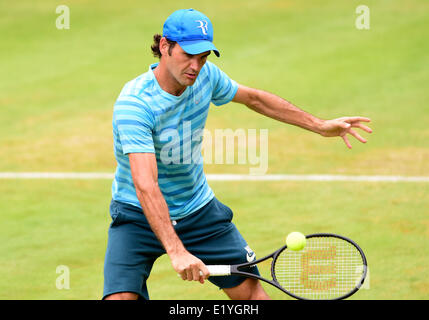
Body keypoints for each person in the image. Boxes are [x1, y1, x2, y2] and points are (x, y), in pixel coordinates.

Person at [103, 8, 372, 300]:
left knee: (252, 295)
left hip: (198, 210)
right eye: (188, 55)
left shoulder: (206, 78)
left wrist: (320, 125)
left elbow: (254, 99)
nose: (195, 66)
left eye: (203, 57)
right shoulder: (135, 104)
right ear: (165, 46)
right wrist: (177, 251)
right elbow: (145, 183)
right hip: (137, 215)